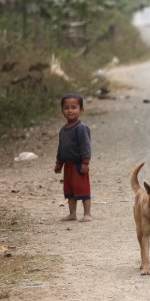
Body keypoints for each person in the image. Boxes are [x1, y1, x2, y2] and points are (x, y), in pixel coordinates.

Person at [55, 93, 92, 222]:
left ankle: (87, 213)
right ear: (62, 111)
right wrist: (59, 163)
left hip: (79, 165)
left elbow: (86, 146)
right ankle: (72, 214)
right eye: (66, 108)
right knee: (70, 191)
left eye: (73, 107)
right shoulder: (63, 130)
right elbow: (61, 147)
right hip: (68, 166)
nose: (70, 110)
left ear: (81, 110)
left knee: (83, 190)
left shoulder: (81, 129)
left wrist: (85, 163)